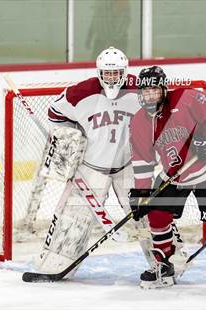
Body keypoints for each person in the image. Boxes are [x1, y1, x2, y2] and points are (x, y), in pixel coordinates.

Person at [128, 66, 206, 289]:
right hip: (174, 176)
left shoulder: (185, 97)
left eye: (154, 91)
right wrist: (141, 192)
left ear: (164, 90)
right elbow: (142, 161)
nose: (150, 96)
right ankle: (163, 265)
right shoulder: (139, 121)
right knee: (156, 214)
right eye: (145, 91)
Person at [33, 47, 154, 277]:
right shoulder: (81, 92)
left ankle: (166, 262)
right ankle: (57, 265)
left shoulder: (140, 90)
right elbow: (55, 114)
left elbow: (159, 114)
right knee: (74, 216)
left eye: (116, 73)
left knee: (148, 213)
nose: (111, 78)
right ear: (99, 72)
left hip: (129, 166)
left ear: (124, 71)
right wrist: (73, 137)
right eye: (107, 73)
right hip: (91, 167)